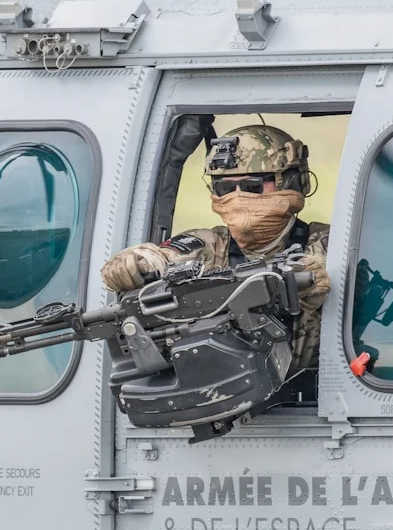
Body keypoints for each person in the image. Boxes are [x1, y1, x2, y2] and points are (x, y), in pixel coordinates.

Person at [100, 124, 330, 370]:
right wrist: (136, 261)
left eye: (252, 186)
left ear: (292, 181)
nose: (237, 197)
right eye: (225, 188)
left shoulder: (328, 243)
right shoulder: (211, 245)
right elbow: (163, 257)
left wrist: (313, 280)